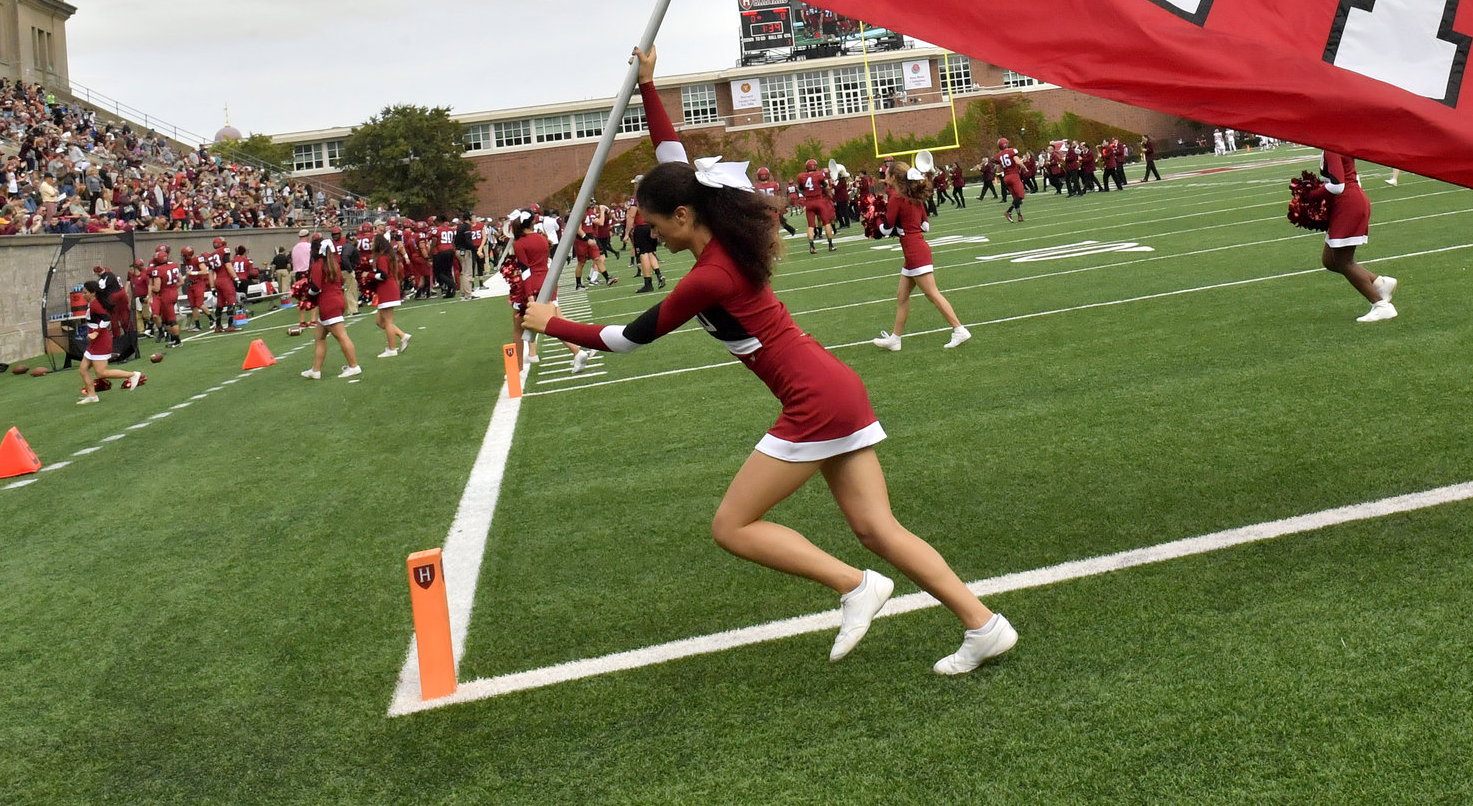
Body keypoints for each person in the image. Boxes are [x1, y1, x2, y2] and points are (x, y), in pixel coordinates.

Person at [523, 49, 1015, 676]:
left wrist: (553, 323)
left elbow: (628, 338)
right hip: (829, 385)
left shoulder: (709, 275)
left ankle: (856, 587)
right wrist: (649, 87)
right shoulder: (713, 228)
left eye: (652, 223)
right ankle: (984, 624)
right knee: (877, 528)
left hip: (815, 399)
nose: (648, 233)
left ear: (683, 217)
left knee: (732, 525)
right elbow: (671, 156)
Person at [872, 165, 971, 353]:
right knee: (902, 296)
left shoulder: (896, 198)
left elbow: (885, 229)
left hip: (915, 252)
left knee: (932, 293)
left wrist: (875, 220)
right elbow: (925, 226)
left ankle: (959, 329)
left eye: (886, 175)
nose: (884, 178)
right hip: (915, 250)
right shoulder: (914, 197)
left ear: (894, 177)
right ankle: (895, 339)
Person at [1319, 150, 1397, 322]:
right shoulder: (1333, 144)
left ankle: (1381, 306)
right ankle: (1381, 284)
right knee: (1330, 260)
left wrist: (1313, 194)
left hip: (1348, 204)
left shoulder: (1331, 145)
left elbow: (1337, 186)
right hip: (1347, 203)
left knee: (1343, 261)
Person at [300, 240, 365, 380]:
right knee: (319, 337)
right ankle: (315, 370)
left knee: (342, 336)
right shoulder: (334, 264)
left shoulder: (318, 265)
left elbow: (316, 288)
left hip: (328, 303)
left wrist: (305, 295)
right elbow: (341, 282)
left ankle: (354, 366)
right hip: (338, 300)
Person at [74, 294, 144, 404]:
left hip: (100, 342)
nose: (84, 294)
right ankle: (92, 396)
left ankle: (133, 375)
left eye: (86, 292)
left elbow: (106, 319)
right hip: (94, 343)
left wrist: (96, 333)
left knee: (101, 373)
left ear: (92, 293)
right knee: (83, 369)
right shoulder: (92, 304)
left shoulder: (96, 304)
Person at [360, 237, 411, 358]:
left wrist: (369, 275)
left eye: (373, 242)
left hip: (387, 289)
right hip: (389, 289)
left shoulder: (382, 258)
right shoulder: (388, 256)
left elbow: (383, 276)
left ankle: (392, 349)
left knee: (387, 322)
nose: (371, 244)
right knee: (379, 321)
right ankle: (402, 335)